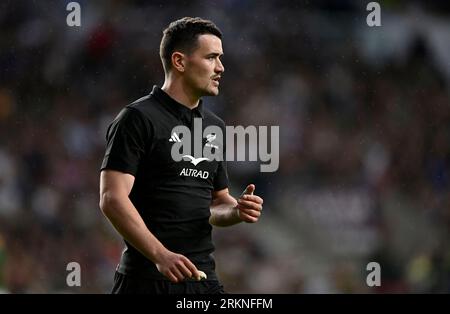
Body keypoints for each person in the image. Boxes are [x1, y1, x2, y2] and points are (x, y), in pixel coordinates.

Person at [99, 17, 263, 294]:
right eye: (211, 57)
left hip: (202, 279)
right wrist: (160, 255)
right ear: (179, 61)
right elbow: (112, 198)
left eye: (220, 58)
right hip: (146, 280)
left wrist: (235, 210)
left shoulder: (214, 127)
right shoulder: (138, 118)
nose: (221, 68)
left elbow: (216, 201)